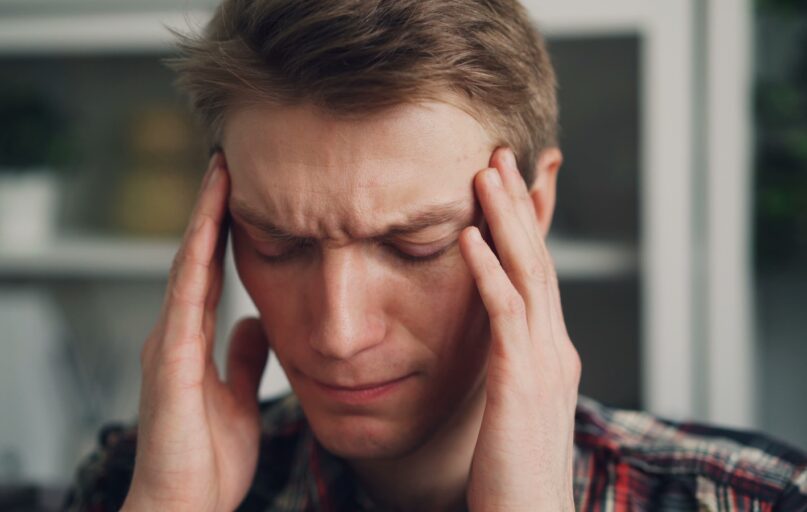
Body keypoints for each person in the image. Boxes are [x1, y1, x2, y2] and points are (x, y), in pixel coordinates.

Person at [63, 0, 806, 510]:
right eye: (277, 242)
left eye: (414, 244)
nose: (338, 333)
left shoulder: (752, 500)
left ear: (532, 210)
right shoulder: (131, 487)